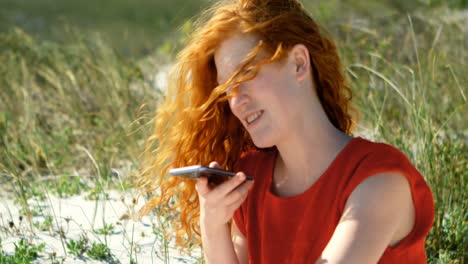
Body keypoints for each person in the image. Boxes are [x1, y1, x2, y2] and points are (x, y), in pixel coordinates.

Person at [136, 0, 435, 263]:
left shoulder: (379, 181)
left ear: (299, 64)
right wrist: (212, 225)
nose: (237, 102)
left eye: (247, 74)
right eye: (227, 90)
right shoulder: (250, 180)